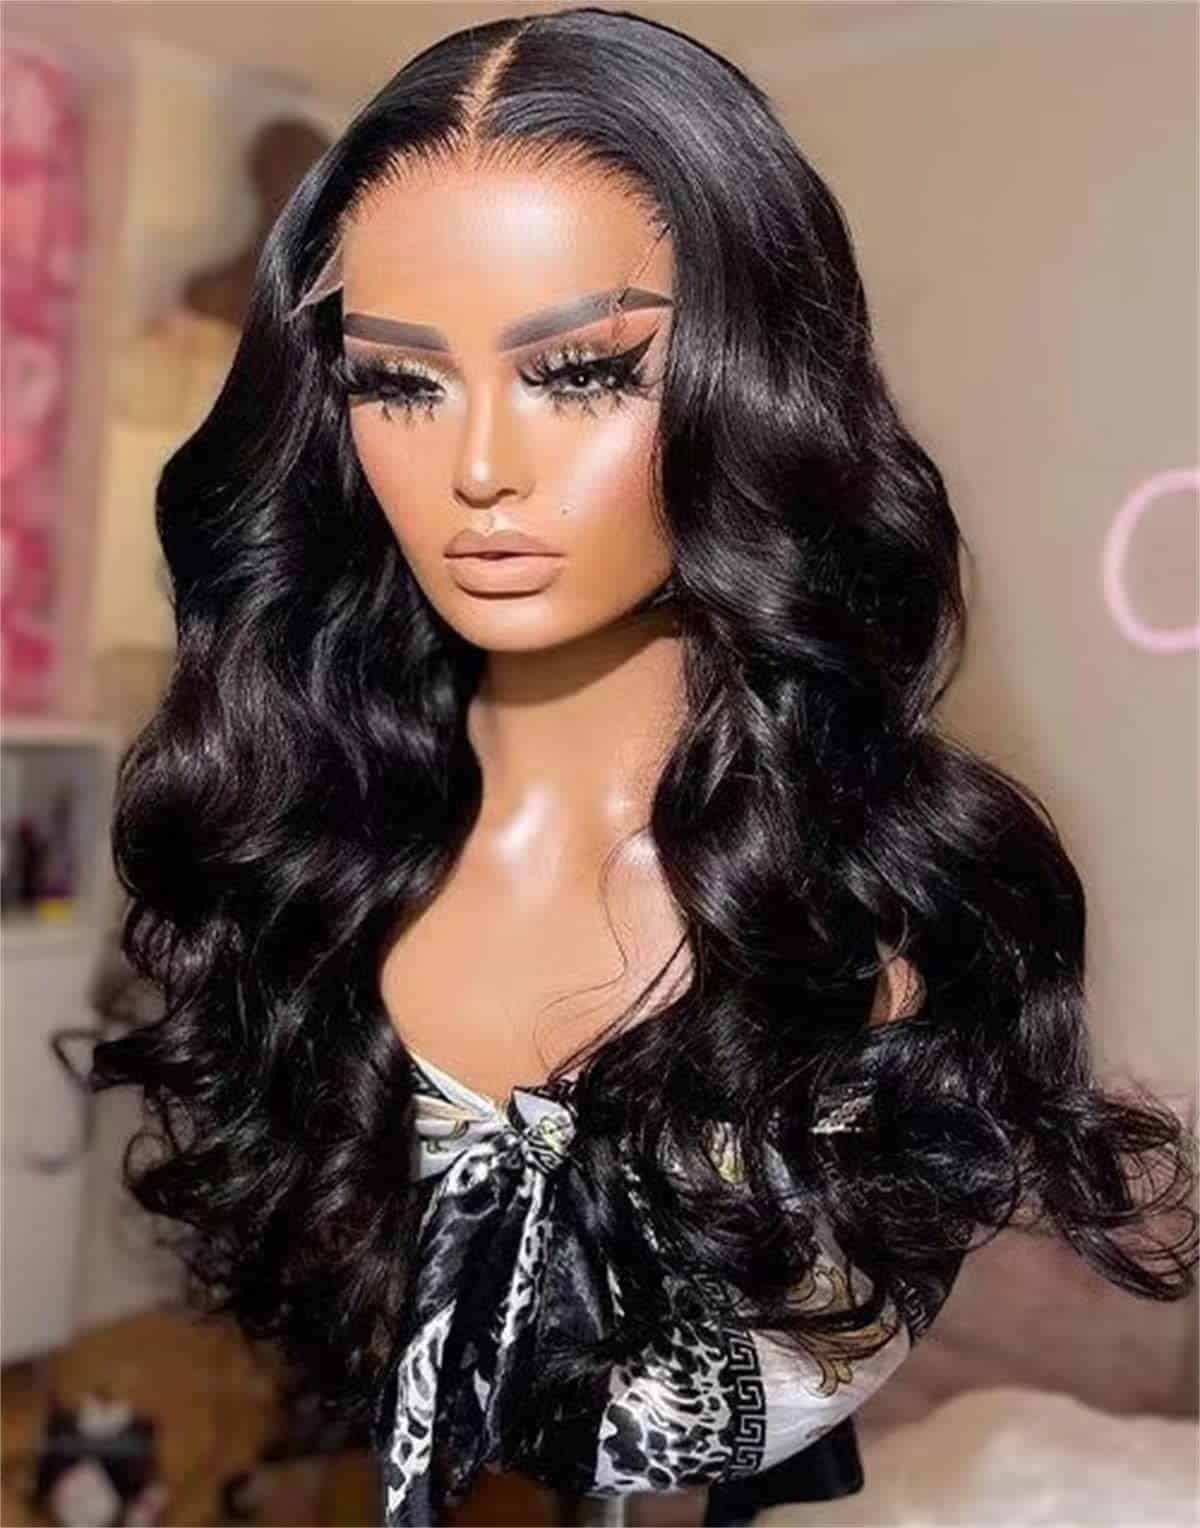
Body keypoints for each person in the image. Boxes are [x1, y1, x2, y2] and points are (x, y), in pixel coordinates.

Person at [89, 8, 1198, 1527]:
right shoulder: (302, 848)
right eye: (400, 383)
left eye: (581, 371)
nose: (481, 467)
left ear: (754, 382)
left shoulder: (871, 929)